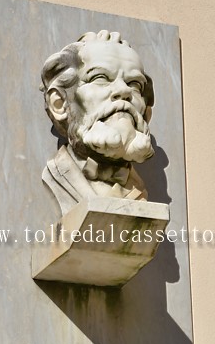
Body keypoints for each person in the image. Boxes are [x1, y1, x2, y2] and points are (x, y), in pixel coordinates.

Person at [40, 30, 155, 215]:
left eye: (134, 84)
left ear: (146, 113)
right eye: (100, 78)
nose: (123, 90)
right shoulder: (56, 175)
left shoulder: (139, 187)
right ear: (60, 104)